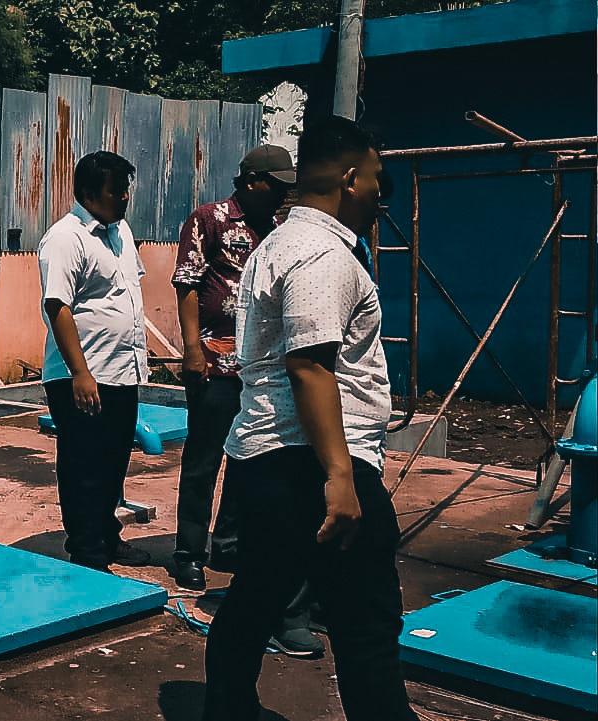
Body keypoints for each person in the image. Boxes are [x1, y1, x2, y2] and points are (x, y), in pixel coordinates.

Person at [203, 116, 416, 721]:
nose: (380, 193)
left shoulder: (278, 241)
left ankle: (226, 709)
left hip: (271, 459)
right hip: (314, 464)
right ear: (351, 178)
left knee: (256, 597)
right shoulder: (322, 253)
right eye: (375, 179)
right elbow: (311, 368)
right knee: (367, 621)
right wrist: (342, 480)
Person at [171, 145, 323, 657]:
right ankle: (188, 550)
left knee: (247, 459)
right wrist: (191, 349)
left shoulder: (280, 232)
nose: (283, 195)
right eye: (276, 185)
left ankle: (228, 544)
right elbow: (188, 285)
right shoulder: (209, 219)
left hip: (260, 373)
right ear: (253, 180)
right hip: (214, 361)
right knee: (203, 459)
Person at [38, 150, 152, 574]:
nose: (124, 198)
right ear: (88, 193)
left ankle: (107, 534)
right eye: (115, 190)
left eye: (126, 190)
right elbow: (58, 306)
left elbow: (124, 294)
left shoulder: (120, 233)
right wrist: (80, 373)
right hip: (83, 376)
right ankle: (87, 551)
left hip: (122, 371)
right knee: (84, 464)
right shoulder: (66, 238)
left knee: (114, 462)